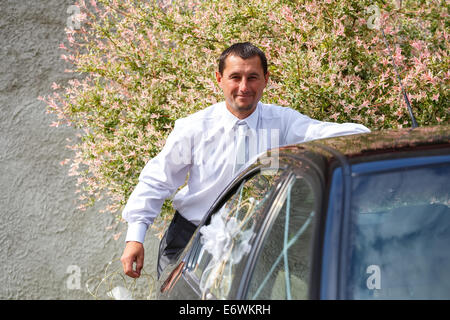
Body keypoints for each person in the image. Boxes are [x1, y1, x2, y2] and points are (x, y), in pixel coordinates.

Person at [120, 42, 370, 279]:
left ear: (265, 80)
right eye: (235, 77)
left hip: (254, 242)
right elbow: (157, 179)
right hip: (190, 238)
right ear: (219, 79)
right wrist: (135, 237)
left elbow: (328, 134)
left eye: (252, 77)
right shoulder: (193, 129)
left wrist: (373, 138)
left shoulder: (281, 123)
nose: (244, 87)